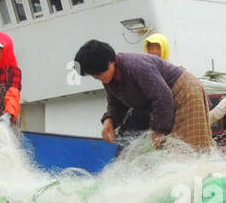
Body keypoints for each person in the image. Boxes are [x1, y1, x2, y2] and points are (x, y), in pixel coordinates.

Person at [74, 39, 212, 151]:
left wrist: (159, 130)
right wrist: (109, 121)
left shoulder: (136, 66)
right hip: (166, 103)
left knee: (190, 148)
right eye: (93, 75)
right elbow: (115, 105)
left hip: (185, 93)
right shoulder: (108, 78)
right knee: (170, 150)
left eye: (98, 74)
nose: (97, 78)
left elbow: (162, 96)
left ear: (111, 62)